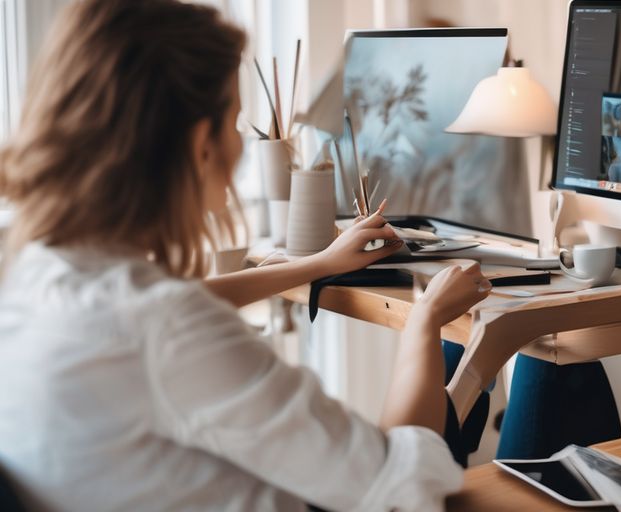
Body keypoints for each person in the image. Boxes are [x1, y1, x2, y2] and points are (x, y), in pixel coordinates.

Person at [0, 1, 490, 510]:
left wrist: (317, 264)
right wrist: (424, 320)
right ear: (199, 145)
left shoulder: (35, 274)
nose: (238, 145)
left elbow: (168, 307)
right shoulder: (166, 328)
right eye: (234, 123)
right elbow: (403, 490)